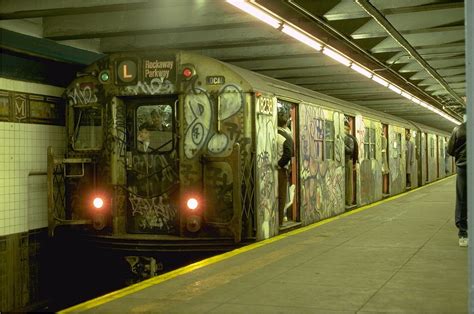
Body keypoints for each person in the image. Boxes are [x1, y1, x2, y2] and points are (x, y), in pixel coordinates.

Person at [447, 121, 467, 247]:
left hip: (464, 168)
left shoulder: (458, 129)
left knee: (462, 199)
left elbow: (450, 150)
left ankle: (463, 234)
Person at [277, 110, 294, 225]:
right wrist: (280, 164)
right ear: (286, 122)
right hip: (281, 170)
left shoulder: (272, 132)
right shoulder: (286, 137)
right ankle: (280, 220)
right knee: (282, 195)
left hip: (272, 168)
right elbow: (288, 154)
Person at [344, 120, 358, 207]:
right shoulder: (351, 138)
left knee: (348, 182)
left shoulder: (350, 138)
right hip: (347, 162)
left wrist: (354, 163)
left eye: (345, 128)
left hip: (348, 161)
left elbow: (351, 151)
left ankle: (348, 201)